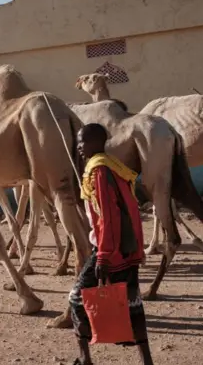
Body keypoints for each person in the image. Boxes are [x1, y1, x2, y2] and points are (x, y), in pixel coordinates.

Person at [69, 123, 153, 365]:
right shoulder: (112, 167)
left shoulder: (99, 172)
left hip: (111, 250)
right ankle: (147, 361)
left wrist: (104, 255)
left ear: (96, 142)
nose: (80, 147)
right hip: (127, 248)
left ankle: (85, 359)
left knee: (77, 297)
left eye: (83, 142)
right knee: (133, 303)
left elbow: (108, 215)